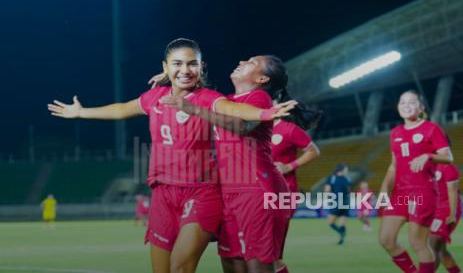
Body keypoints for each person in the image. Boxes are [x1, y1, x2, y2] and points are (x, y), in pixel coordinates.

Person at [49, 38, 294, 273]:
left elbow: (235, 110)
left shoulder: (210, 99)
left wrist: (265, 114)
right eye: (177, 63)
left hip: (202, 191)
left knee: (182, 266)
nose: (185, 69)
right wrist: (82, 112)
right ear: (165, 68)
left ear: (201, 67)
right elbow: (122, 109)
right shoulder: (155, 97)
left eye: (192, 64)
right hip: (163, 194)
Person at [161, 55, 296, 273]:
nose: (242, 61)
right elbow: (194, 96)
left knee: (258, 266)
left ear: (262, 79)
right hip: (230, 192)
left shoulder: (259, 98)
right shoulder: (228, 101)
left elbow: (242, 126)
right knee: (234, 264)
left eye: (252, 62)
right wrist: (172, 76)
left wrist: (195, 110)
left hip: (256, 190)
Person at [378, 90, 453, 273]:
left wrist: (428, 156)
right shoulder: (395, 132)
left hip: (423, 191)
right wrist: (384, 189)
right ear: (397, 107)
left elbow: (448, 156)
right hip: (400, 193)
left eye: (411, 102)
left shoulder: (431, 128)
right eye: (402, 102)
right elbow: (393, 166)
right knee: (386, 239)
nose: (406, 106)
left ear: (420, 108)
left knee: (417, 242)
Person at [270, 90, 322, 273]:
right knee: (259, 255)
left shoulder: (288, 129)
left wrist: (289, 166)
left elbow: (314, 151)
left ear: (277, 102)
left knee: (272, 256)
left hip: (283, 193)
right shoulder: (256, 130)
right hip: (258, 193)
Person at [429, 163, 462, 273]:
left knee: (433, 243)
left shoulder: (448, 166)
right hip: (435, 210)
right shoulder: (429, 165)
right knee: (441, 249)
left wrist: (452, 214)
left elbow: (452, 191)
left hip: (446, 210)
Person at [324, 163, 351, 245]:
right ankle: (342, 236)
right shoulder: (347, 179)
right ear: (341, 170)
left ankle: (341, 233)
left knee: (330, 222)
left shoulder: (332, 178)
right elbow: (349, 190)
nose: (347, 171)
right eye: (346, 169)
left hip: (336, 202)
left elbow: (327, 190)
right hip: (346, 202)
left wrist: (328, 200)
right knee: (342, 222)